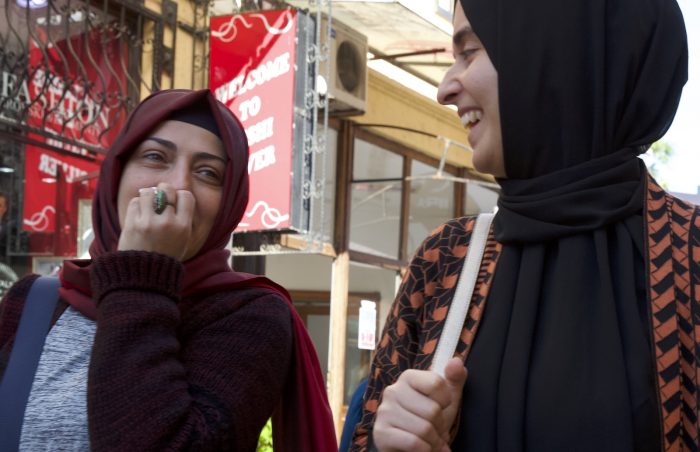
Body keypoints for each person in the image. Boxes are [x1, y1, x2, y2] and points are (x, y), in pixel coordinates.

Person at [351, 0, 697, 451]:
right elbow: (366, 436)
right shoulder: (445, 261)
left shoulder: (689, 256)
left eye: (470, 51)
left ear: (553, 55)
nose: (445, 89)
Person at [0, 89, 337, 451]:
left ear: (229, 204)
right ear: (115, 176)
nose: (175, 186)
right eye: (155, 157)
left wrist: (141, 275)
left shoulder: (250, 315)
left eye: (208, 173)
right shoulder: (34, 300)